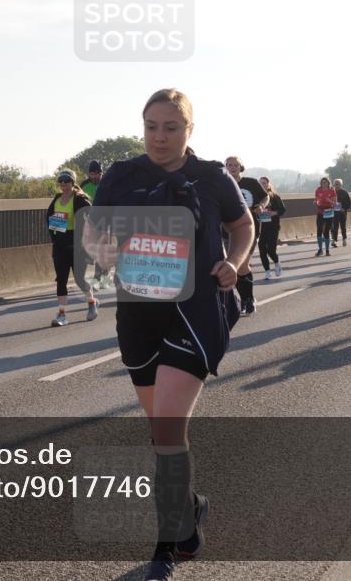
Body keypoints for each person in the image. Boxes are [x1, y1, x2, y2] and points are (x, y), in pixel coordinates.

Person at [84, 88, 252, 580]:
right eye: (152, 127)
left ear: (189, 130)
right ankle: (190, 503)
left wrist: (233, 263)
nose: (160, 137)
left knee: (167, 427)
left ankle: (165, 546)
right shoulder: (121, 175)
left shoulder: (211, 177)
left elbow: (243, 228)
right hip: (138, 312)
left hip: (195, 312)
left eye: (171, 128)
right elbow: (94, 233)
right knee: (161, 432)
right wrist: (101, 252)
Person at [47, 170, 97, 326]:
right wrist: (54, 236)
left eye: (67, 181)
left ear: (73, 182)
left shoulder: (80, 199)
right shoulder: (56, 199)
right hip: (60, 245)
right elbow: (50, 219)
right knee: (61, 281)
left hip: (77, 246)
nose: (63, 184)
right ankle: (62, 315)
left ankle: (91, 303)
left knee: (80, 279)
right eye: (61, 181)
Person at [225, 156, 267, 315]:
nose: (233, 167)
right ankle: (243, 299)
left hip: (249, 229)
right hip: (226, 230)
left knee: (241, 264)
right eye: (229, 165)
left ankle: (248, 299)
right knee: (231, 266)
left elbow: (265, 196)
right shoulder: (223, 183)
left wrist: (262, 205)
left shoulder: (251, 183)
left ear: (241, 167)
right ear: (226, 167)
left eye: (236, 165)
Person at [82, 161, 111, 290]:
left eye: (97, 173)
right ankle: (103, 275)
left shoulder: (109, 183)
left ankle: (98, 277)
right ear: (89, 173)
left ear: (101, 173)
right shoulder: (84, 185)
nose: (95, 176)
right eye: (92, 174)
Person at [257, 176, 286, 279]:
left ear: (268, 184)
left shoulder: (274, 196)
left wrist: (273, 213)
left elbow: (282, 210)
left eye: (264, 183)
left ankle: (277, 262)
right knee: (261, 248)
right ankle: (267, 272)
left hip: (273, 226)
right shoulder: (258, 197)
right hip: (263, 226)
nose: (262, 185)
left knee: (271, 250)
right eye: (260, 183)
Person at [314, 177, 337, 257]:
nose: (323, 184)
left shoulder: (332, 190)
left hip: (329, 212)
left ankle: (327, 250)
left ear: (328, 183)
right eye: (322, 182)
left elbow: (335, 203)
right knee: (319, 230)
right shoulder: (318, 190)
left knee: (326, 230)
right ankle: (320, 249)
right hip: (320, 211)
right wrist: (316, 202)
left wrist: (329, 201)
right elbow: (316, 199)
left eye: (325, 182)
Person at [330, 178, 351, 247]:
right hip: (334, 213)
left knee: (343, 226)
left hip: (342, 212)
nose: (336, 185)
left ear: (341, 184)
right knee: (334, 227)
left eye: (338, 184)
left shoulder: (345, 192)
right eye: (335, 184)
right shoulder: (331, 192)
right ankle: (334, 240)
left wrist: (344, 208)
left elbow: (349, 203)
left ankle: (344, 239)